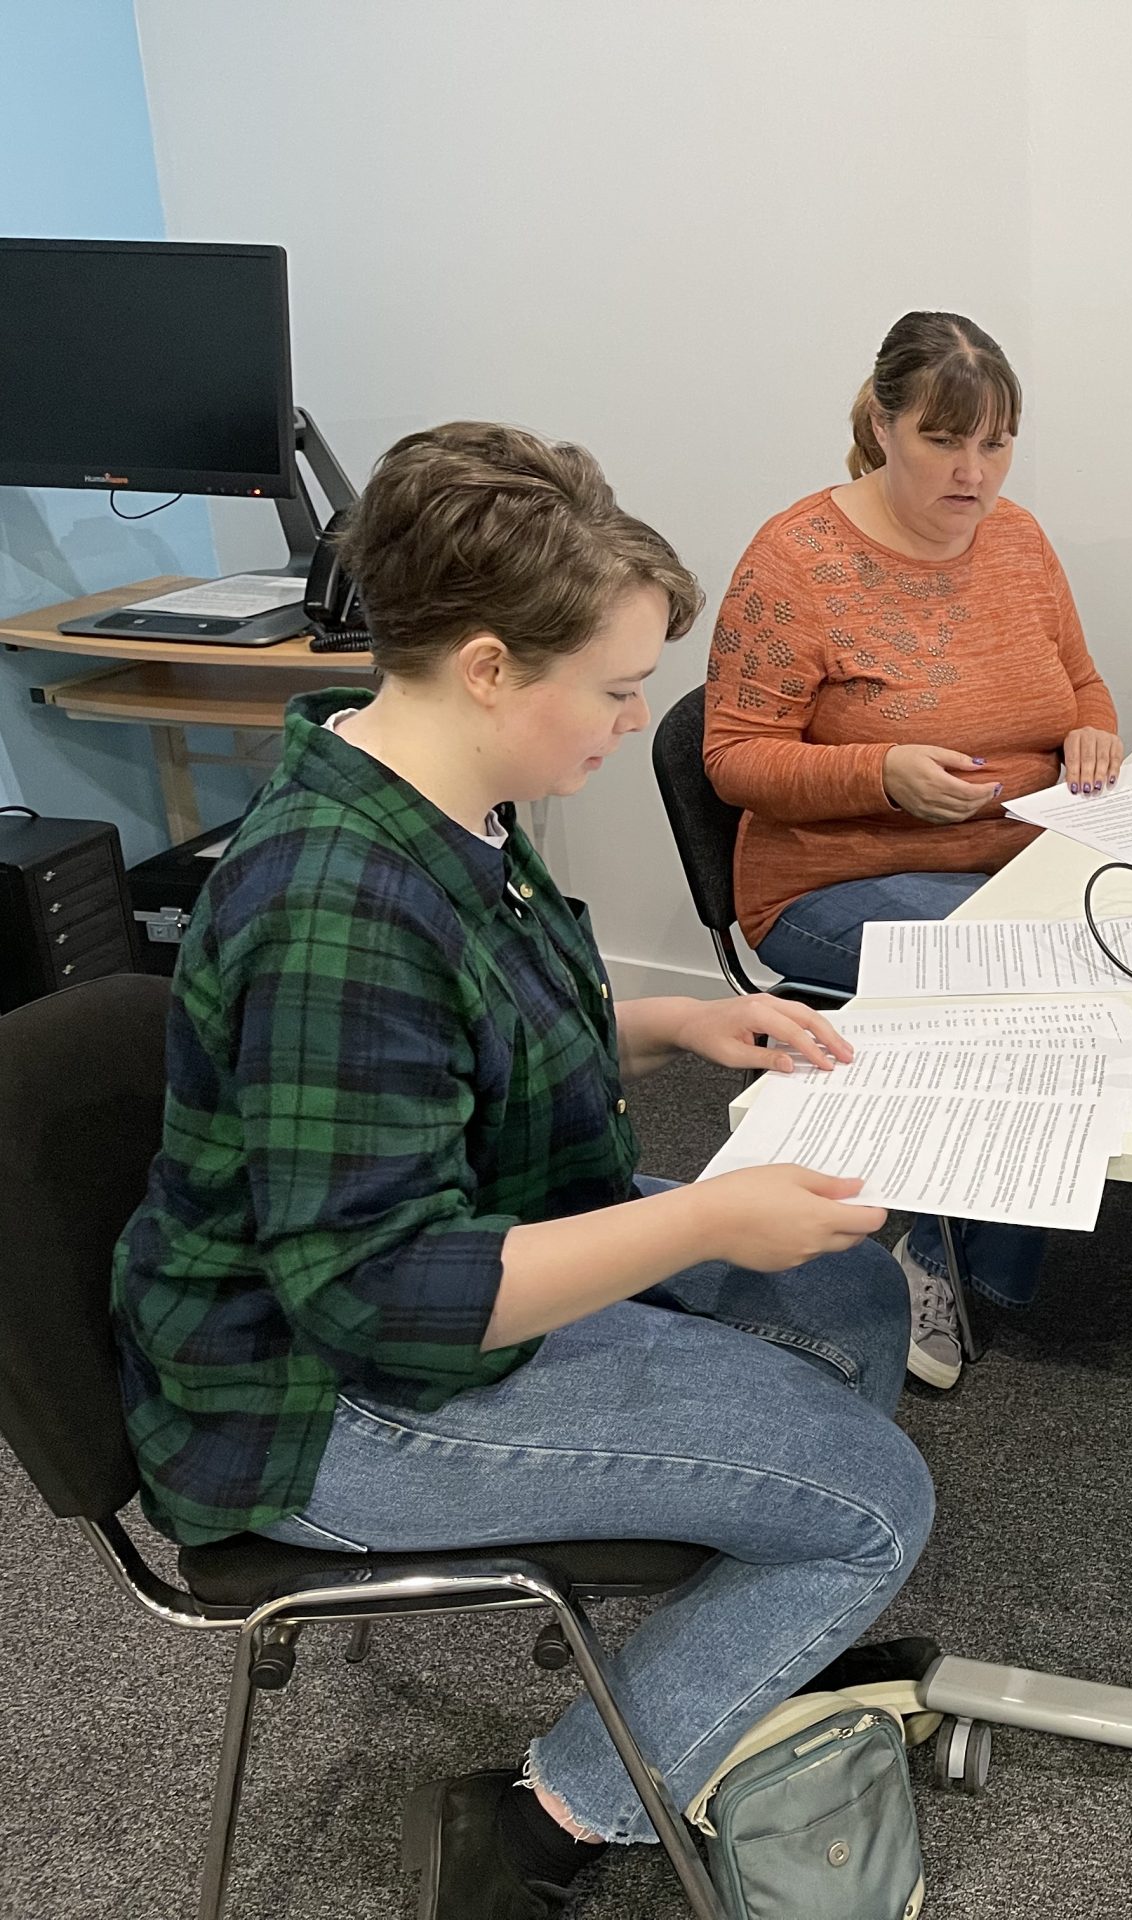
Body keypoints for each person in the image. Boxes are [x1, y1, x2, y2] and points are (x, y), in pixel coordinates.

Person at [112, 423, 935, 1920]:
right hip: (321, 1400)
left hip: (440, 1266)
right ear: (490, 666)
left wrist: (681, 1022)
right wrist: (700, 1215)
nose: (633, 719)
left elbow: (461, 1043)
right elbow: (383, 1293)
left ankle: (733, 1641)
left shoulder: (441, 806)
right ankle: (545, 1817)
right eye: (615, 690)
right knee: (877, 1507)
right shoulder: (337, 906)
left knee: (846, 1296)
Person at [703, 310, 1122, 1388]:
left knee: (1131, 942)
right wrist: (877, 773)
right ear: (883, 424)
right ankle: (936, 1254)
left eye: (995, 443)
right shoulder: (796, 560)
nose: (973, 472)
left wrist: (1092, 731)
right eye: (945, 440)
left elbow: (1079, 682)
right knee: (1026, 982)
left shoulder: (1019, 540)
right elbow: (734, 759)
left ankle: (981, 1243)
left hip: (1016, 855)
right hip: (830, 879)